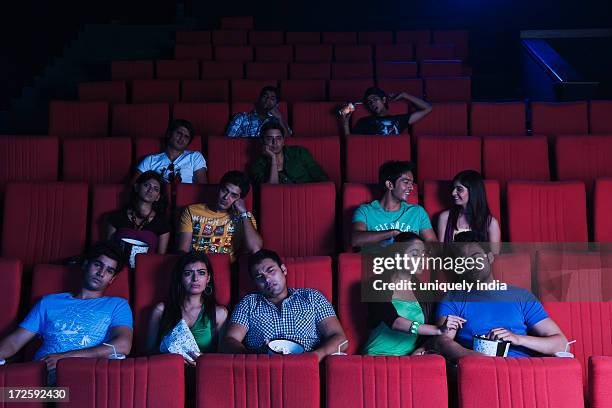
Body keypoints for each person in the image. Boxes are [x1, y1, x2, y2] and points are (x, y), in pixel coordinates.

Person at [0, 242, 133, 372]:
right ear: (86, 264)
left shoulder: (117, 305)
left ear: (112, 279)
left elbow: (123, 344)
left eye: (109, 271)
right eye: (98, 265)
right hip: (42, 372)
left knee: (62, 392)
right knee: (9, 394)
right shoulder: (48, 302)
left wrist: (64, 358)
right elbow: (14, 341)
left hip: (84, 374)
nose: (101, 273)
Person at [435, 231, 567, 362]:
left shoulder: (521, 296)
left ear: (490, 257)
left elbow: (561, 344)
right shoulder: (453, 298)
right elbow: (443, 340)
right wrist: (478, 358)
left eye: (476, 257)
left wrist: (517, 339)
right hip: (480, 368)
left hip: (522, 369)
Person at [222, 249, 347, 361]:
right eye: (260, 277)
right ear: (255, 283)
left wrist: (316, 356)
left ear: (284, 270)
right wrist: (253, 357)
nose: (267, 279)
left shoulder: (312, 297)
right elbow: (230, 341)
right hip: (263, 366)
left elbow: (341, 339)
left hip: (308, 364)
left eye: (271, 271)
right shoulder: (248, 303)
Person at [362, 232, 465, 356]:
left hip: (410, 360)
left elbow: (426, 334)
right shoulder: (375, 284)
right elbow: (394, 322)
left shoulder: (424, 292)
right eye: (415, 254)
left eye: (423, 254)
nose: (422, 259)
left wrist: (421, 349)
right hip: (377, 356)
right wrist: (437, 330)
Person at [146, 252, 228, 362]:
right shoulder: (161, 310)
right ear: (180, 278)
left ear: (208, 278)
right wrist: (170, 356)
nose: (195, 279)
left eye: (201, 273)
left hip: (204, 372)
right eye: (188, 273)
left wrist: (202, 361)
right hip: (168, 370)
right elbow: (147, 352)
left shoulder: (220, 313)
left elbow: (223, 357)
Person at [176, 170, 262, 262]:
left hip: (226, 268)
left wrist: (243, 213)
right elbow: (183, 250)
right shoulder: (192, 211)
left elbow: (255, 248)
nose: (226, 197)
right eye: (225, 190)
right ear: (218, 188)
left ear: (239, 200)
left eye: (233, 195)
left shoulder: (245, 217)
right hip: (197, 266)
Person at [352, 161, 437, 249]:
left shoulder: (417, 212)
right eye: (406, 182)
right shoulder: (365, 211)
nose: (411, 187)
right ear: (390, 185)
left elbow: (433, 244)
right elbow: (356, 241)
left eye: (411, 183)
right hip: (378, 261)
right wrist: (393, 233)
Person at [436, 170, 501, 253]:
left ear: (473, 191)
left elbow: (494, 258)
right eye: (454, 188)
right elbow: (441, 252)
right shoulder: (445, 217)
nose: (453, 193)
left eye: (459, 189)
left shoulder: (491, 223)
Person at [107, 171, 170, 254]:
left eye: (156, 189)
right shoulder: (117, 216)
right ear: (136, 187)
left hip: (148, 266)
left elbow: (160, 256)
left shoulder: (162, 222)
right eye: (146, 185)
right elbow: (108, 249)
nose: (150, 190)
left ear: (157, 197)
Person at [249, 122, 328, 184]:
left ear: (283, 141)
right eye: (269, 139)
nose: (275, 142)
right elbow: (271, 189)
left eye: (278, 138)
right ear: (262, 141)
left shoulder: (299, 152)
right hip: (282, 201)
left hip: (307, 196)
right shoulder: (257, 165)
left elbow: (319, 174)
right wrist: (273, 158)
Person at [133, 119, 207, 184]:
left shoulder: (195, 157)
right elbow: (134, 185)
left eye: (186, 137)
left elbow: (202, 188)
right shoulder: (150, 160)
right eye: (179, 133)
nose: (182, 139)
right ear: (169, 133)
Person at [339, 87, 432, 136]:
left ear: (383, 100)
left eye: (375, 99)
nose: (372, 103)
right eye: (369, 102)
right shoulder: (363, 122)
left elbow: (427, 108)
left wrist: (404, 95)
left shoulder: (399, 120)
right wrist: (345, 124)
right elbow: (351, 144)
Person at [226, 86, 291, 137]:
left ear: (276, 104)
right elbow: (228, 141)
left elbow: (288, 140)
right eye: (265, 96)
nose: (268, 99)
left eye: (272, 98)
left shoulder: (279, 121)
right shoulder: (241, 117)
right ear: (259, 99)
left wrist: (280, 118)